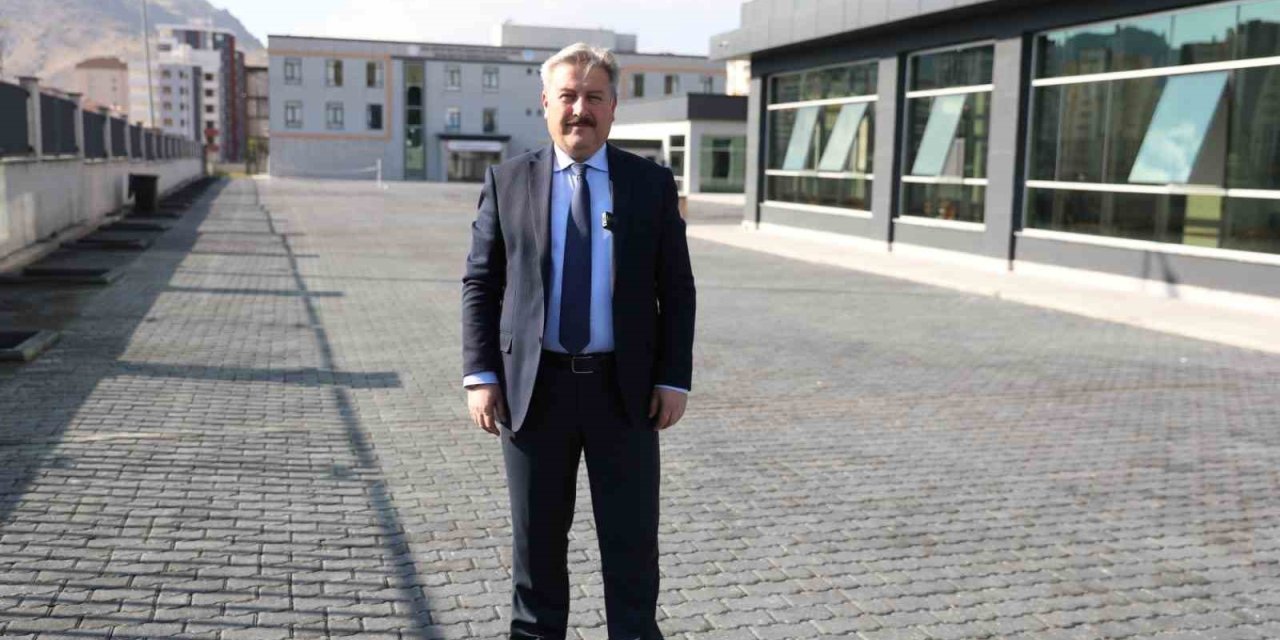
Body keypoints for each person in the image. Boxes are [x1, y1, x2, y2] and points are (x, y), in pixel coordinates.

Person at [460, 43, 696, 640]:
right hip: (532, 394)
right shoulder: (507, 180)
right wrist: (481, 375)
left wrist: (673, 377)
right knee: (536, 551)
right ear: (545, 103)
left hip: (627, 394)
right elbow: (481, 282)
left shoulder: (650, 184)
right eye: (568, 95)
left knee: (632, 548)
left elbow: (677, 287)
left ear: (614, 106)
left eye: (594, 97)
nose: (579, 109)